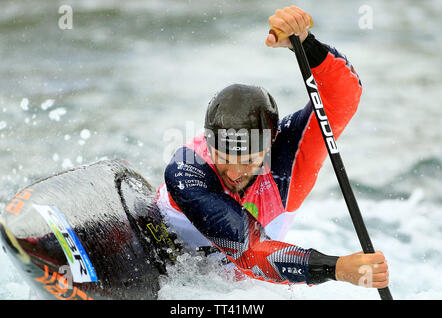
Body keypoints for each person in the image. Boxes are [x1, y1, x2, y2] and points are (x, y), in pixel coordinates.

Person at [157, 5, 389, 289]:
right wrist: (336, 267)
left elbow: (344, 95)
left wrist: (305, 44)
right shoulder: (188, 167)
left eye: (250, 160)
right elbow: (248, 250)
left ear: (271, 144)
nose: (234, 172)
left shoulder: (289, 158)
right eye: (223, 157)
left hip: (244, 288)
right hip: (167, 264)